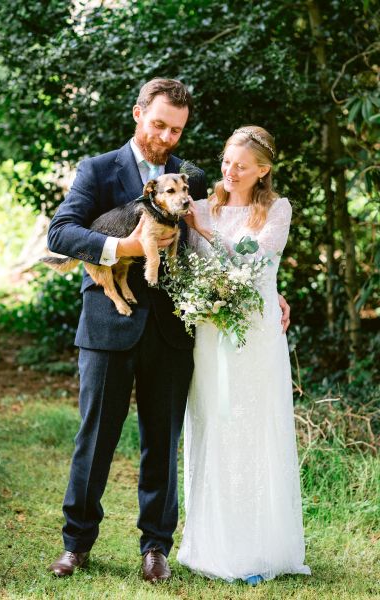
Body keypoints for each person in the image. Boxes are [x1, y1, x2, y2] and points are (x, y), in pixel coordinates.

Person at [46, 79, 290, 582]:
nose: (166, 137)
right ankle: (77, 544)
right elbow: (61, 232)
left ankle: (155, 546)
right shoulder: (97, 169)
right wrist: (124, 250)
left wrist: (265, 290)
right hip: (107, 323)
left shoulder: (191, 178)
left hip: (175, 328)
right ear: (139, 114)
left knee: (165, 440)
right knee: (95, 439)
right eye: (159, 124)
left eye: (176, 129)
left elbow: (217, 241)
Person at [177, 126, 311, 585]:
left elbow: (255, 266)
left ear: (263, 170)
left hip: (255, 334)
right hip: (210, 332)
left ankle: (258, 549)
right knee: (213, 423)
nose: (230, 172)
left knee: (254, 428)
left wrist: (206, 233)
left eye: (242, 166)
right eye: (226, 161)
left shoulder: (276, 209)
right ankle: (209, 544)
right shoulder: (198, 205)